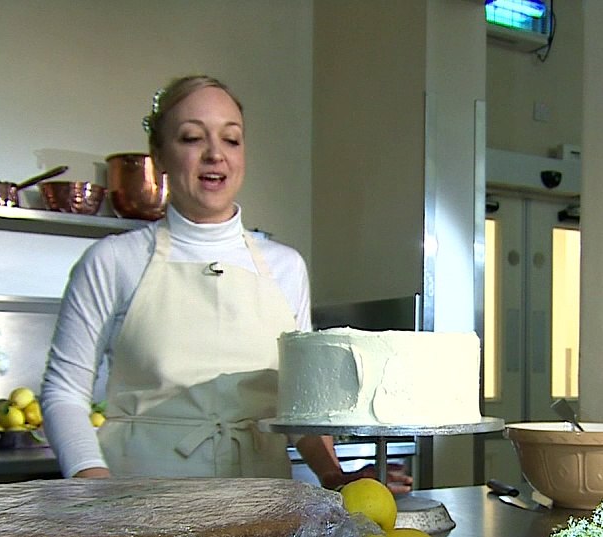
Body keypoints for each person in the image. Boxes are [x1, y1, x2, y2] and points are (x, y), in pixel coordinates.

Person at [40, 75, 410, 493]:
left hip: (260, 504)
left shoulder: (285, 267)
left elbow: (300, 399)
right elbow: (63, 391)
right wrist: (93, 482)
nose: (215, 154)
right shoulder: (114, 260)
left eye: (231, 140)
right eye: (192, 138)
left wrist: (333, 474)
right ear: (158, 157)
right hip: (137, 504)